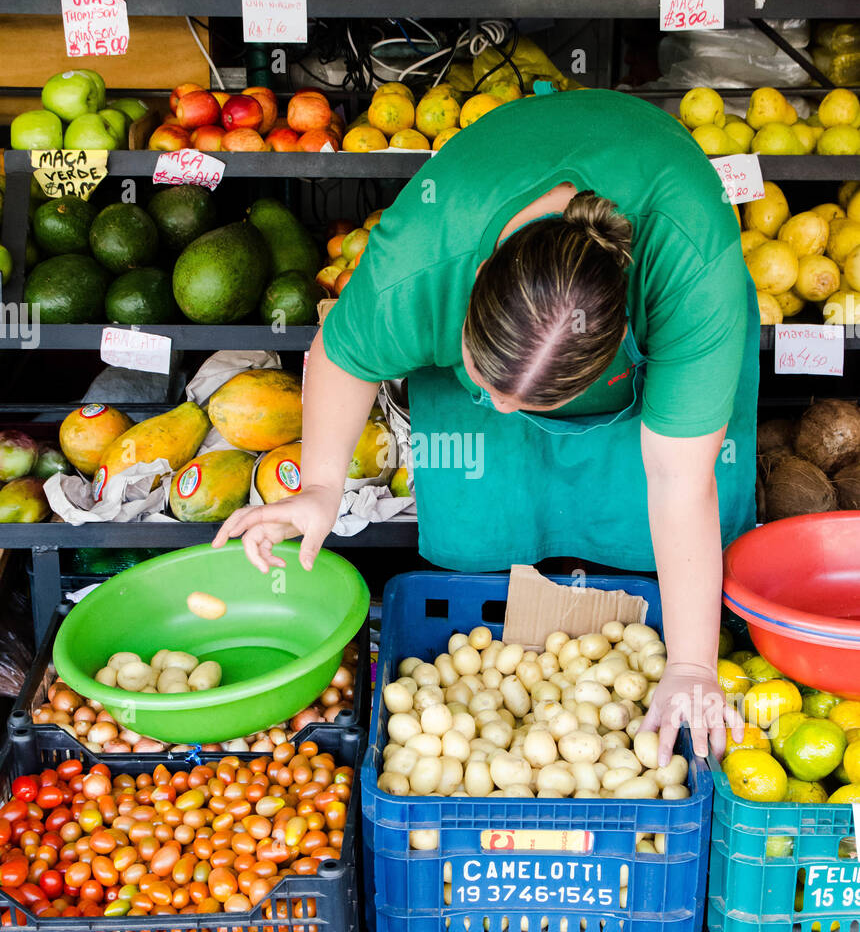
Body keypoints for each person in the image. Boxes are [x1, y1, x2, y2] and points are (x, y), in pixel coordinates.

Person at [214, 88, 758, 762]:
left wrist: (692, 668)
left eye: (532, 401)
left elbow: (681, 480)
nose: (500, 407)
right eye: (485, 379)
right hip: (468, 229)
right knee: (486, 526)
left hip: (670, 232)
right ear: (472, 284)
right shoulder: (421, 255)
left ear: (619, 343)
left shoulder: (691, 266)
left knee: (663, 540)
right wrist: (321, 486)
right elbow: (343, 354)